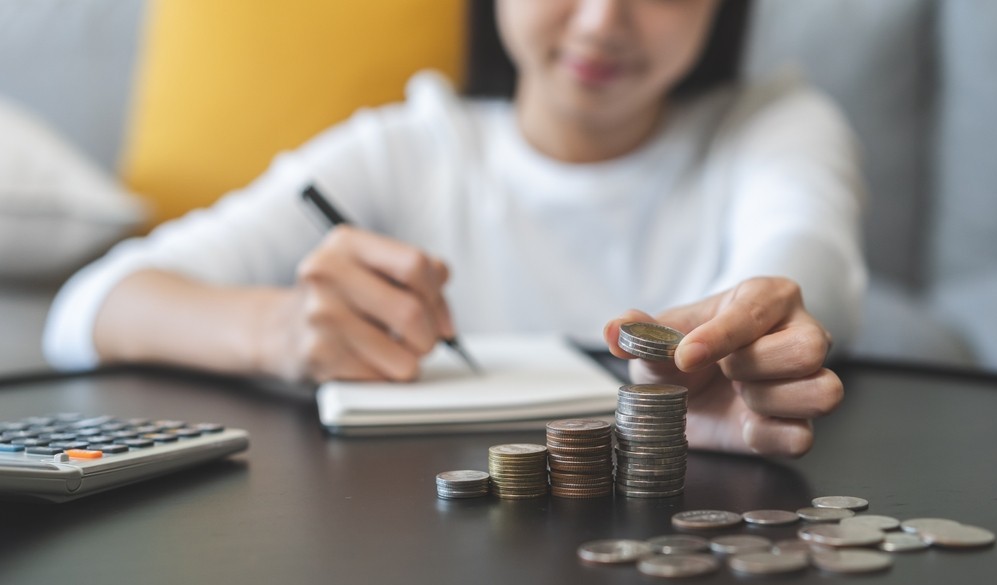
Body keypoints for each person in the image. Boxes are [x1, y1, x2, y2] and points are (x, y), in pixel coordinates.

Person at [44, 0, 866, 458]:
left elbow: (804, 250)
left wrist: (758, 330)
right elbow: (89, 307)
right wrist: (279, 328)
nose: (602, 22)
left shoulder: (774, 125)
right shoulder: (404, 147)